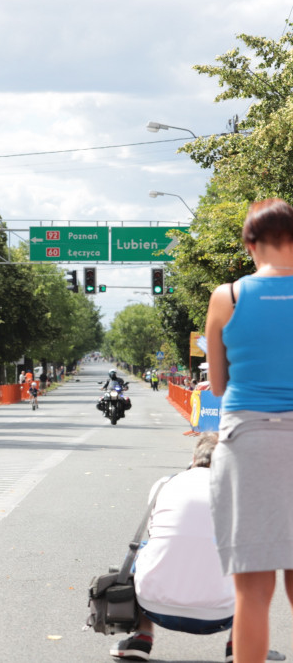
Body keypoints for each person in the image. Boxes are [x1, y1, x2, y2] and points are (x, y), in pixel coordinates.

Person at [205, 198, 293, 663]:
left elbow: (218, 385)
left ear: (250, 244)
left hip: (250, 444)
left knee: (253, 592)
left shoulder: (228, 297)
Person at [111, 433, 285, 663]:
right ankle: (239, 644)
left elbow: (157, 535)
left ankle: (142, 637)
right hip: (221, 614)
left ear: (194, 458)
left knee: (145, 547)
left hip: (153, 606)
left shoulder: (164, 484)